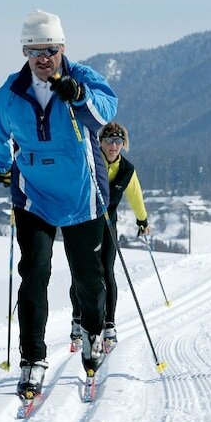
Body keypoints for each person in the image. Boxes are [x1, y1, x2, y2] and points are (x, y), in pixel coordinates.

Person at [0, 10, 118, 399]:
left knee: (88, 276)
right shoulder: (9, 93)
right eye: (34, 50)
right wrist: (1, 168)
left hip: (82, 195)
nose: (43, 58)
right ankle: (32, 359)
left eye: (50, 49)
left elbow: (105, 115)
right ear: (25, 52)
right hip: (34, 197)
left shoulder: (84, 78)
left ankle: (93, 333)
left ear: (62, 48)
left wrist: (77, 96)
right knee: (34, 275)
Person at [69, 122, 151, 352]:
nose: (113, 146)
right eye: (108, 141)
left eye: (118, 141)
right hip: (84, 221)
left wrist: (142, 220)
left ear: (123, 144)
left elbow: (135, 195)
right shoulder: (91, 163)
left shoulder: (126, 169)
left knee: (107, 270)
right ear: (100, 142)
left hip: (108, 224)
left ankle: (109, 324)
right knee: (83, 271)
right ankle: (77, 319)